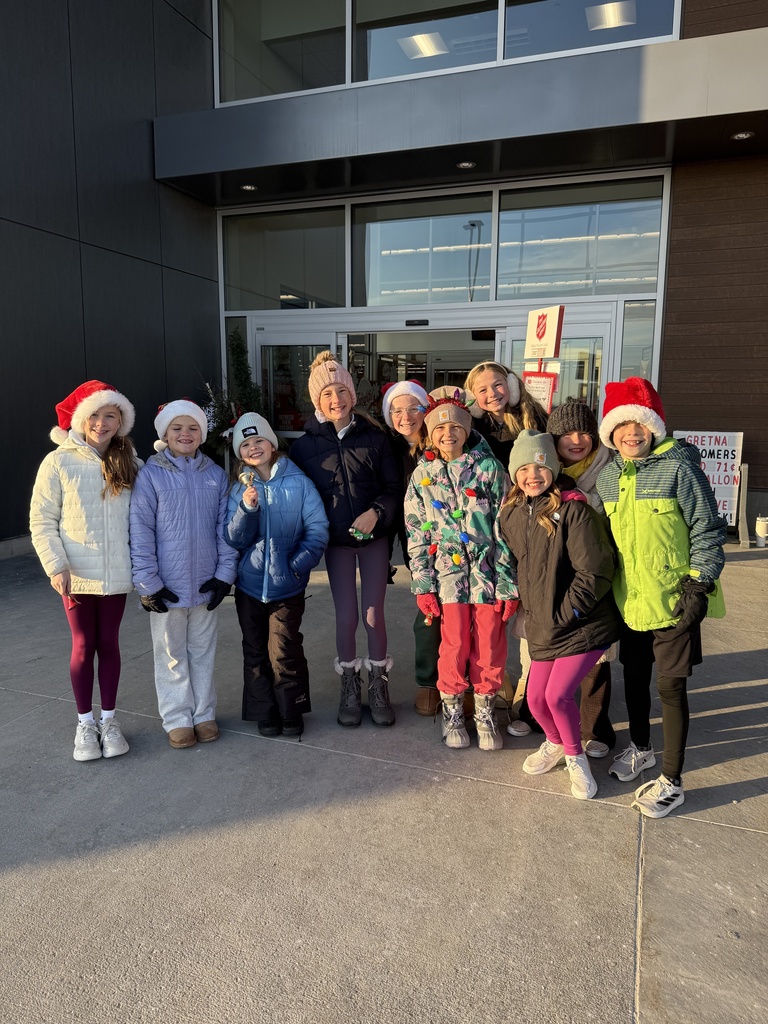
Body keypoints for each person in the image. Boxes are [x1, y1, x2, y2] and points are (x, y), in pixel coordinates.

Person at [596, 378, 727, 818]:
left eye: (640, 423)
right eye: (621, 425)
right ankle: (640, 748)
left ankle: (672, 780)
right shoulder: (610, 477)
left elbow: (707, 529)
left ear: (654, 427)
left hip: (674, 599)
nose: (631, 432)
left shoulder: (679, 467)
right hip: (630, 600)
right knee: (634, 676)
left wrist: (699, 584)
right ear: (610, 433)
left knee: (670, 687)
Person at [497, 430, 621, 799]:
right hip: (543, 624)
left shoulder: (574, 510)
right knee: (535, 700)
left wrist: (568, 612)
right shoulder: (512, 514)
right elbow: (518, 568)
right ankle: (554, 743)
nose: (532, 475)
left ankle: (576, 758)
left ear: (551, 467)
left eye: (539, 466)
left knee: (558, 697)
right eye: (523, 469)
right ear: (515, 474)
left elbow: (595, 571)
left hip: (584, 623)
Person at [30, 380, 140, 761]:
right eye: (95, 414)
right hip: (76, 575)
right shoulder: (58, 462)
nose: (102, 423)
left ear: (120, 421)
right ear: (81, 418)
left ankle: (109, 721)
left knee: (109, 643)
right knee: (82, 646)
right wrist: (55, 565)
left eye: (111, 415)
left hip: (115, 575)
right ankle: (85, 724)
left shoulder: (129, 461)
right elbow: (42, 520)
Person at [290, 352, 401, 728]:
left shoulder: (375, 438)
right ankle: (350, 686)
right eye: (327, 394)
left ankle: (378, 684)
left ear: (353, 395)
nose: (335, 399)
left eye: (341, 391)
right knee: (346, 616)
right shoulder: (304, 448)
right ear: (316, 401)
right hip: (336, 542)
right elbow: (300, 498)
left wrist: (377, 513)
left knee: (372, 614)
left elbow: (392, 488)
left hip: (373, 539)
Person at [404, 386, 518, 751]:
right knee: (452, 644)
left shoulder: (489, 470)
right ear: (429, 434)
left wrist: (507, 584)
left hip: (487, 577)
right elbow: (417, 533)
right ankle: (452, 709)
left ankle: (484, 708)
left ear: (466, 430)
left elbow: (505, 530)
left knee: (489, 643)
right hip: (447, 580)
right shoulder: (423, 476)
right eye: (439, 428)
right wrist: (423, 585)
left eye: (455, 427)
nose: (447, 433)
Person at [130, 399, 238, 749]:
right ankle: (178, 717)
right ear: (165, 433)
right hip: (168, 585)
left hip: (206, 582)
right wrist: (148, 582)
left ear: (202, 433)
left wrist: (224, 575)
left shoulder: (215, 475)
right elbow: (141, 529)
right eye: (177, 428)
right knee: (171, 652)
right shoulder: (151, 474)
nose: (185, 434)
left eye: (192, 428)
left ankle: (203, 713)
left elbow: (226, 528)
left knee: (203, 650)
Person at [225, 412, 328, 739]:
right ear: (239, 453)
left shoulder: (299, 482)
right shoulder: (239, 488)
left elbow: (317, 529)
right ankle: (263, 710)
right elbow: (234, 538)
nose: (254, 448)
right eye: (246, 444)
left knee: (284, 649)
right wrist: (246, 509)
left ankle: (290, 708)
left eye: (259, 440)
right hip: (250, 586)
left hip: (288, 585)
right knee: (255, 650)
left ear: (272, 443)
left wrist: (297, 565)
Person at [546, 398, 617, 758]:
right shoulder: (543, 468)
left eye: (584, 432)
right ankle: (537, 711)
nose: (577, 440)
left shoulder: (609, 467)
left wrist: (584, 501)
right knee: (546, 644)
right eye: (567, 433)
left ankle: (595, 726)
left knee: (595, 651)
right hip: (556, 572)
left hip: (596, 570)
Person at [382, 380, 443, 717]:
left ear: (425, 409)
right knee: (430, 612)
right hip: (417, 546)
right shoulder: (386, 448)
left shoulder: (443, 437)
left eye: (413, 408)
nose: (405, 416)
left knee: (463, 614)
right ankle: (429, 681)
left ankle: (460, 679)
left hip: (456, 542)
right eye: (397, 410)